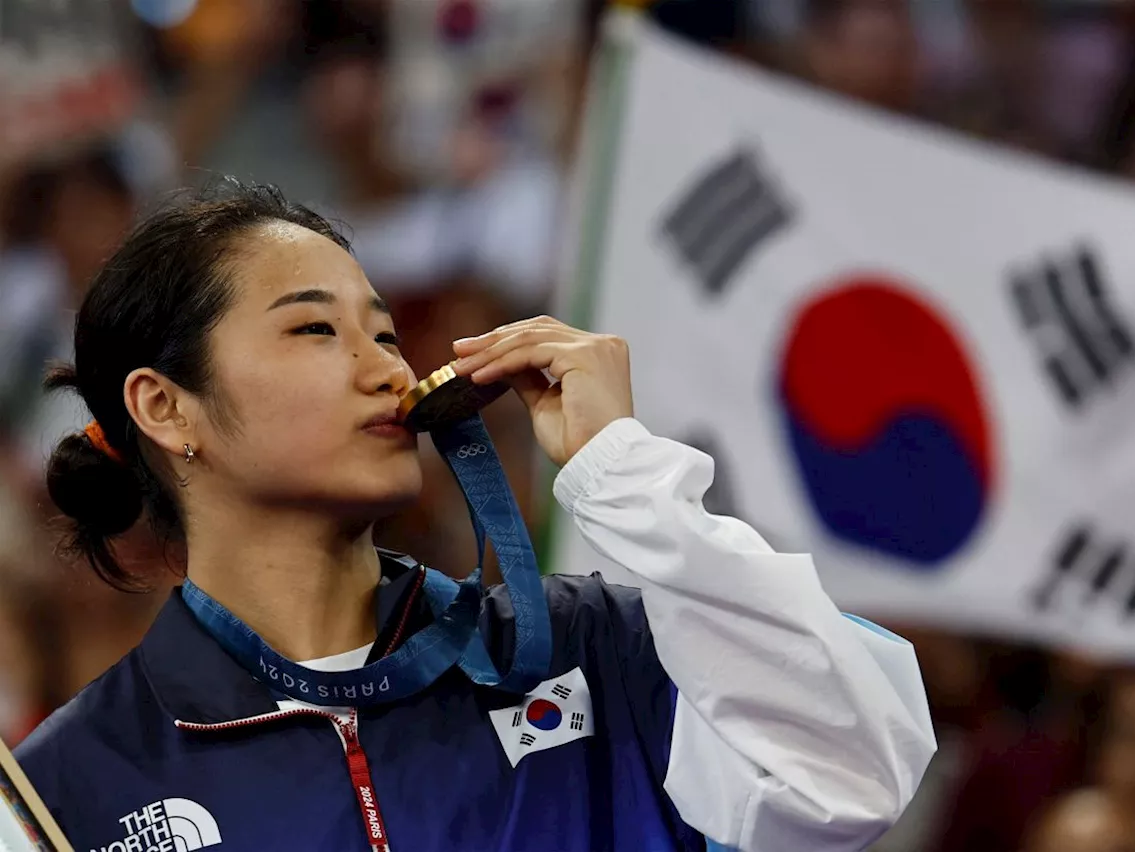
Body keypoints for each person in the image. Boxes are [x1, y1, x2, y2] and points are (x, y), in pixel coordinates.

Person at [15, 180, 935, 851]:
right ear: (166, 407)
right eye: (314, 329)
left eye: (382, 332)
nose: (387, 368)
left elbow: (855, 776)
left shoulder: (603, 651)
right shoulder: (66, 792)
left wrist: (628, 475)